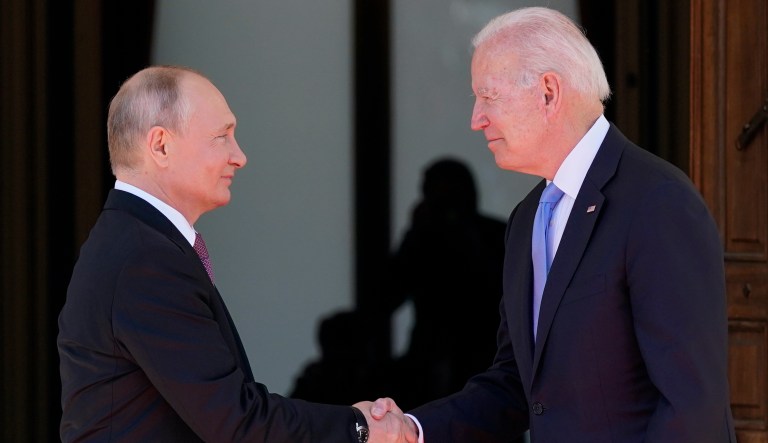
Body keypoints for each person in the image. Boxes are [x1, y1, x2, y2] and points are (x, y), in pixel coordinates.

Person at [368, 7, 736, 442]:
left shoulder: (658, 203)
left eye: (489, 96)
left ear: (548, 92)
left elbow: (692, 408)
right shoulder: (527, 219)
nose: (476, 119)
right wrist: (412, 429)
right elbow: (516, 385)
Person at [57, 65, 415, 442]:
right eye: (221, 136)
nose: (239, 156)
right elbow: (235, 421)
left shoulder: (137, 243)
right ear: (161, 145)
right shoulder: (144, 258)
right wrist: (358, 427)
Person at [385, 158, 506, 410]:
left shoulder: (495, 235)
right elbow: (387, 296)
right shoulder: (422, 238)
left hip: (483, 354)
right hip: (429, 357)